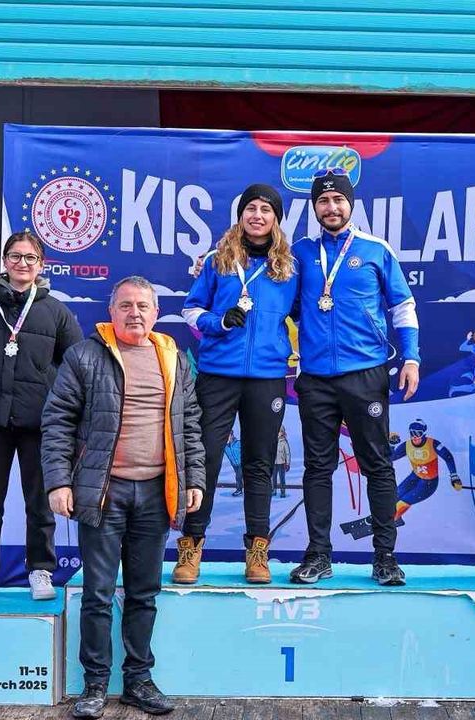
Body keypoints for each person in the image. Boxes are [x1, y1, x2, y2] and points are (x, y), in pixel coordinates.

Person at [42, 276, 205, 717]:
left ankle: (138, 680)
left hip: (156, 494)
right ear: (110, 312)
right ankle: (94, 685)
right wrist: (58, 482)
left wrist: (194, 479)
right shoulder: (84, 356)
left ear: (156, 313)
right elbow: (57, 421)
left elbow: (189, 424)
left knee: (143, 593)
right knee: (97, 594)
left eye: (143, 306)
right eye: (126, 305)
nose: (135, 313)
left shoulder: (173, 358)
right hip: (103, 492)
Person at [290, 169, 420, 586]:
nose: (331, 208)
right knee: (317, 468)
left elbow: (403, 306)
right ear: (314, 207)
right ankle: (318, 555)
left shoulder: (375, 249)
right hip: (315, 377)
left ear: (350, 204)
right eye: (323, 202)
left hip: (365, 372)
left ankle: (385, 557)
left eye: (338, 201)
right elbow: (276, 297)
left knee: (377, 464)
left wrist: (412, 358)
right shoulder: (299, 253)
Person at [178, 183, 298, 585]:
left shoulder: (289, 267)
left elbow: (309, 315)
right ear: (241, 215)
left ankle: (257, 551)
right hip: (218, 374)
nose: (257, 215)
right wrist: (219, 322)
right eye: (251, 208)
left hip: (267, 377)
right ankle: (192, 546)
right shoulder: (218, 261)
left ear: (276, 218)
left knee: (259, 464)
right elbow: (191, 310)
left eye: (266, 209)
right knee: (207, 459)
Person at [0, 231, 82, 602]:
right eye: (15, 256)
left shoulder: (56, 311)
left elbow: (76, 364)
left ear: (41, 265)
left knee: (39, 501)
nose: (22, 264)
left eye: (30, 258)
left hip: (39, 421)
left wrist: (61, 403)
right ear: (5, 261)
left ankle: (41, 569)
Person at [274, 427, 291, 499]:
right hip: (274, 463)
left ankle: (283, 492)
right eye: (278, 431)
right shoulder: (273, 441)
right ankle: (273, 490)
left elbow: (287, 453)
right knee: (273, 478)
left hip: (282, 463)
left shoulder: (284, 442)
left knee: (282, 479)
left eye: (280, 431)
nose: (279, 433)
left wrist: (288, 463)